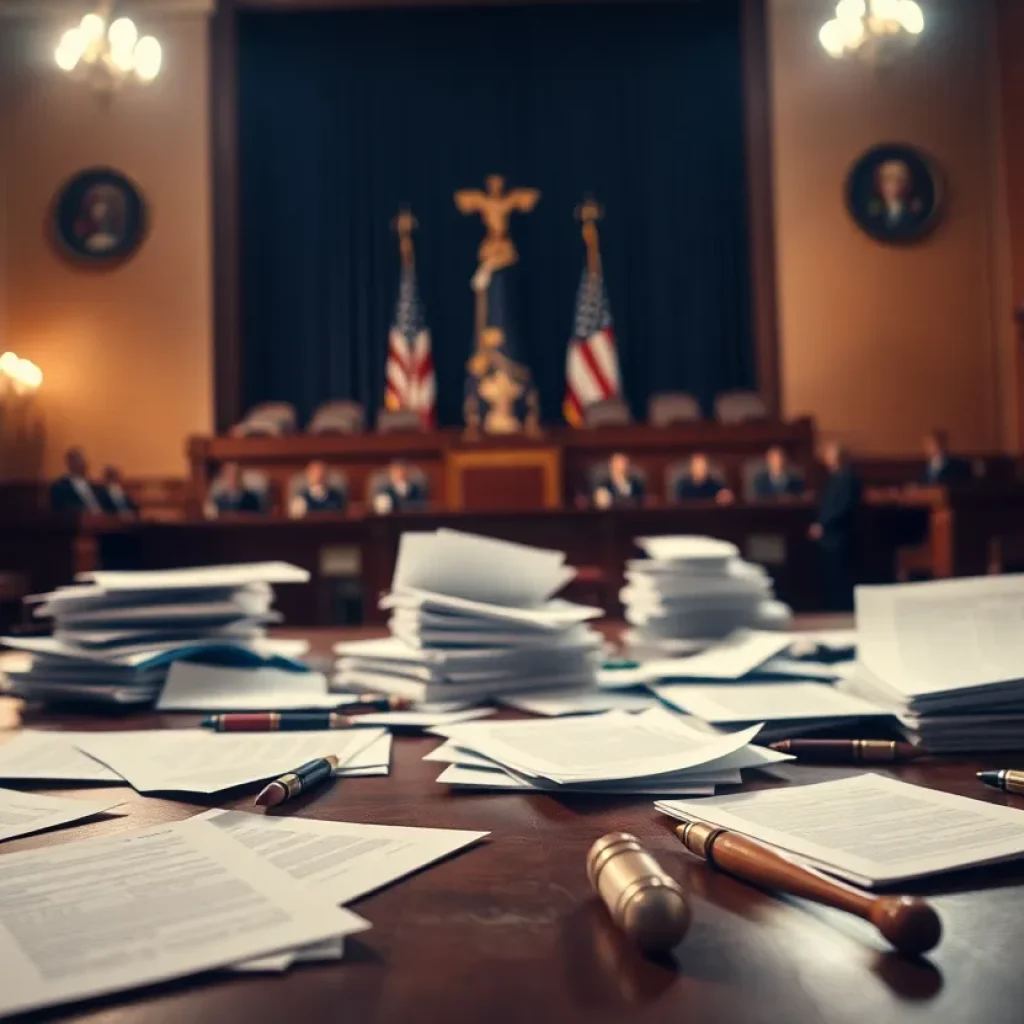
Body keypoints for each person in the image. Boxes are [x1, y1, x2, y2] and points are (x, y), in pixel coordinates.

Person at [809, 441, 862, 611]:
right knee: (830, 577)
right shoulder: (834, 478)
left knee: (840, 578)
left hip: (839, 536)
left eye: (829, 454)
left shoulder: (847, 478)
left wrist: (822, 525)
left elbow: (842, 507)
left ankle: (841, 611)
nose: (826, 458)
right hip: (830, 537)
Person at [50, 448, 104, 514]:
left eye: (84, 461)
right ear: (70, 464)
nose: (84, 465)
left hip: (103, 520)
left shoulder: (94, 486)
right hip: (80, 520)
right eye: (79, 461)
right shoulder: (60, 486)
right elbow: (63, 508)